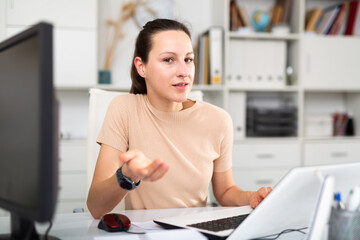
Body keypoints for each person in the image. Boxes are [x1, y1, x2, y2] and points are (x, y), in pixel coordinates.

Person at [87, 18, 272, 219]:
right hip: (146, 233)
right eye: (168, 60)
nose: (184, 72)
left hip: (198, 231)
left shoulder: (219, 120)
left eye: (188, 59)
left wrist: (252, 197)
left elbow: (225, 192)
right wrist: (128, 174)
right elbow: (96, 208)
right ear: (142, 67)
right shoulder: (124, 109)